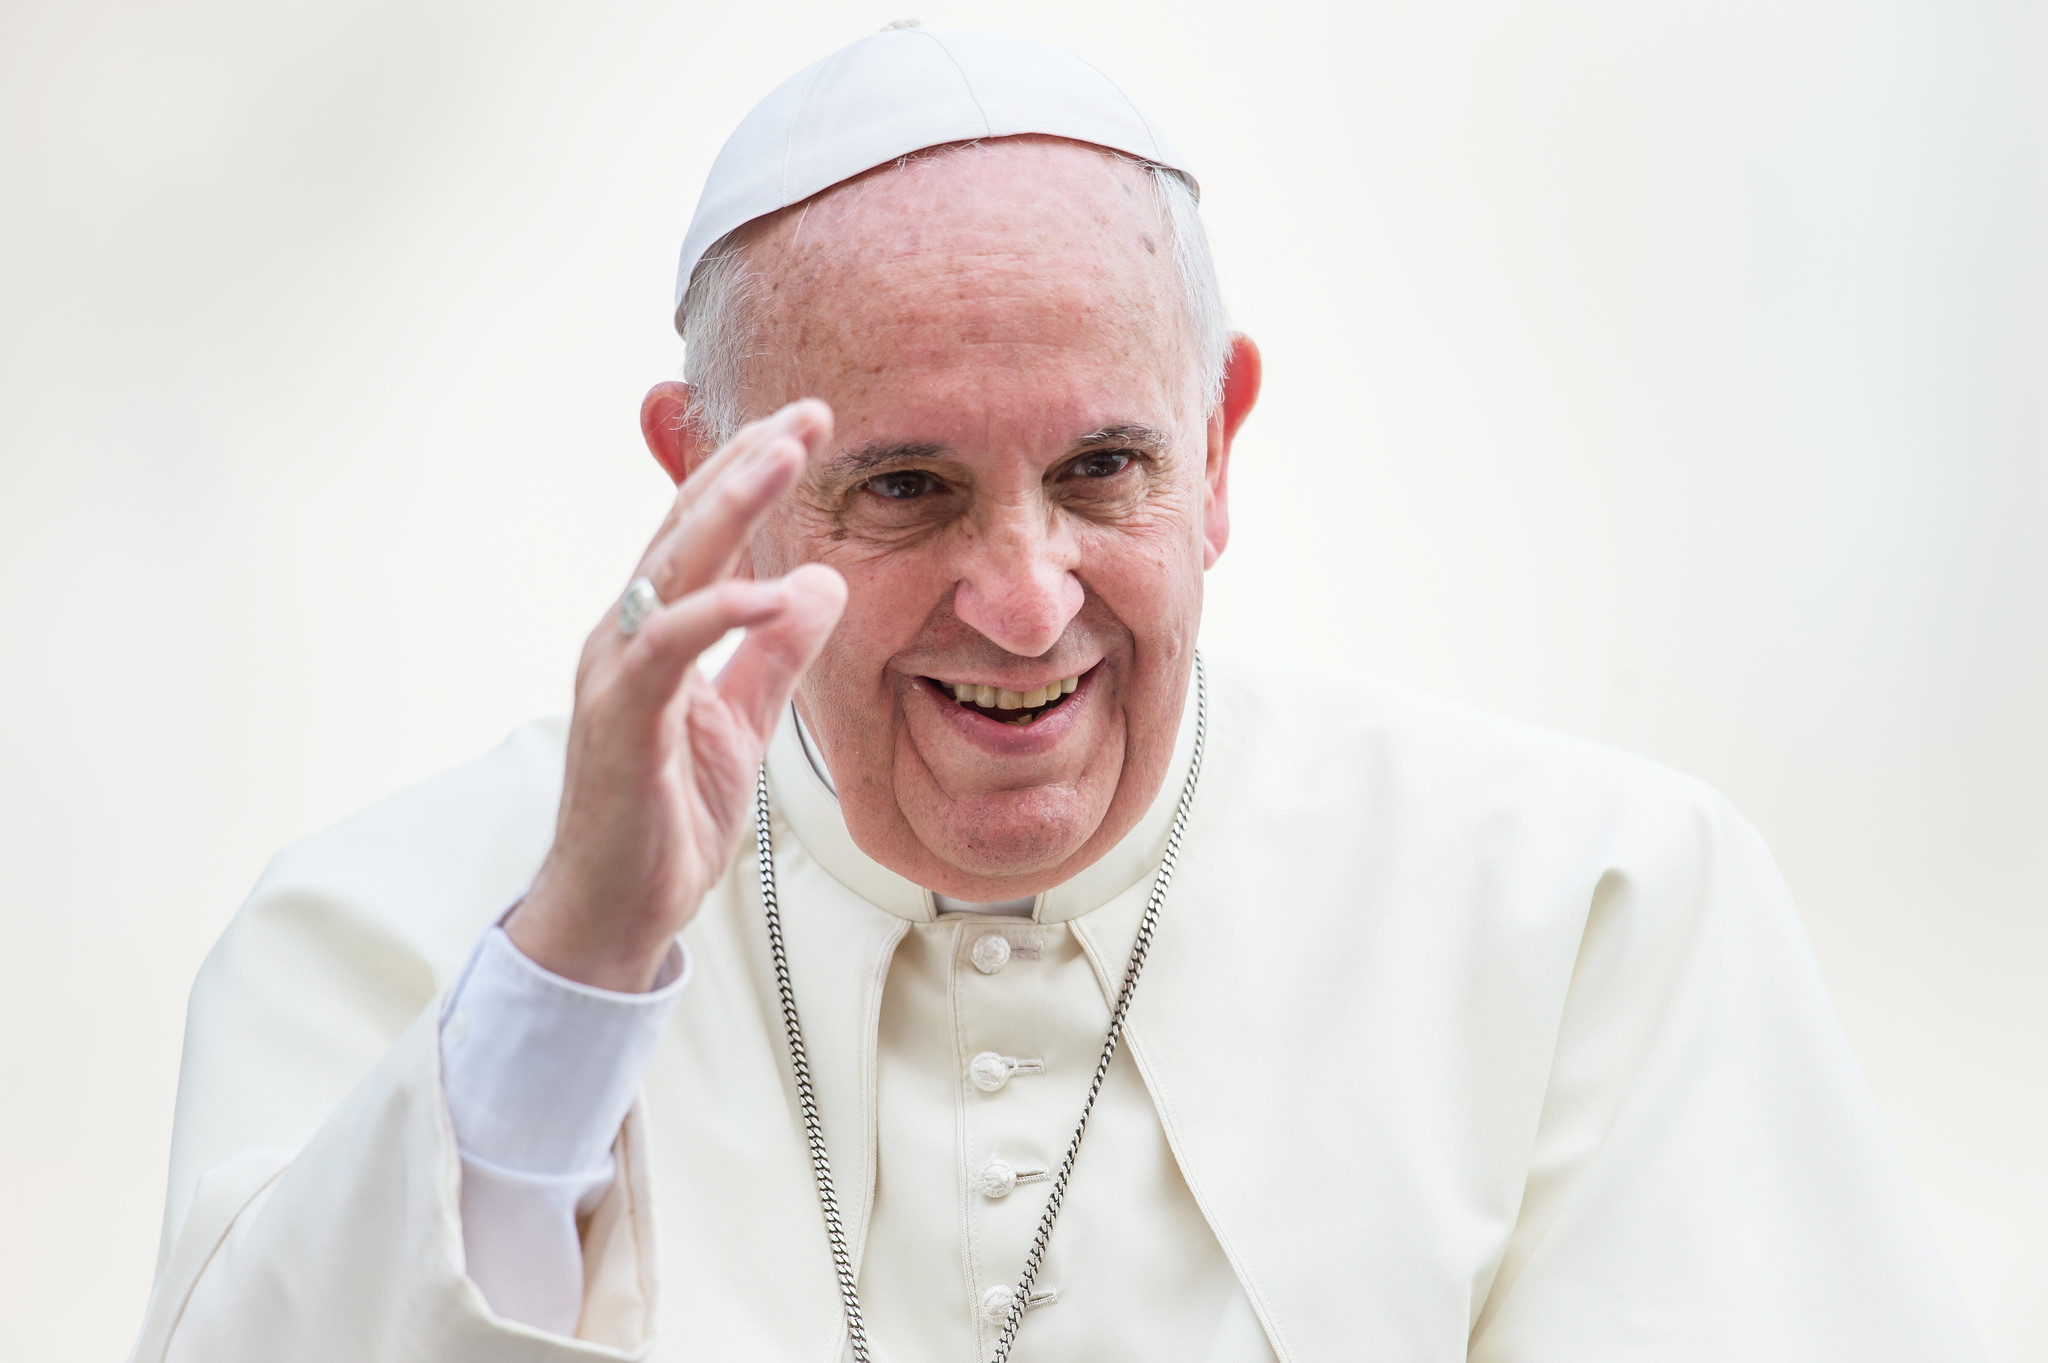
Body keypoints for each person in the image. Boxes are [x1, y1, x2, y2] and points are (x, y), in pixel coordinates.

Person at [130, 25, 1981, 1363]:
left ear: (1223, 444)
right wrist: (574, 977)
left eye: (1103, 470)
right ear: (702, 480)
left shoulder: (1591, 912)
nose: (1023, 605)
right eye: (907, 488)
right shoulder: (388, 931)